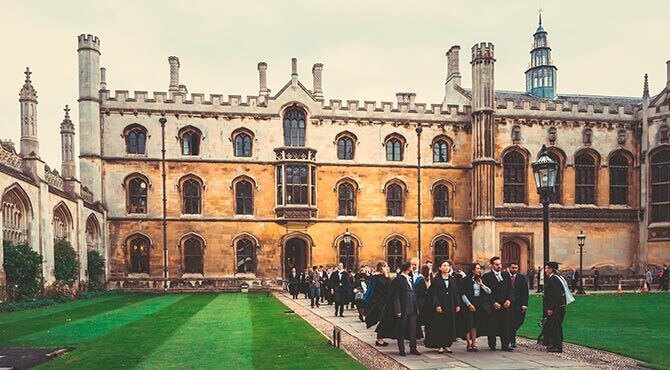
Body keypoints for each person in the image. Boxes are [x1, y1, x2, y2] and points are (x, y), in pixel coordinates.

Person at [378, 262, 421, 356]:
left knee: (413, 329)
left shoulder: (410, 279)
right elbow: (395, 296)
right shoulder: (398, 280)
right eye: (412, 266)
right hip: (403, 309)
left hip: (412, 309)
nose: (413, 267)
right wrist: (397, 310)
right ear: (408, 268)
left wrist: (416, 307)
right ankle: (402, 349)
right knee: (401, 329)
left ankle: (413, 348)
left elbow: (413, 294)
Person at [424, 260, 461, 354]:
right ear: (440, 268)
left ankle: (447, 344)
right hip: (441, 305)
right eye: (444, 266)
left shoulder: (452, 279)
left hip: (450, 304)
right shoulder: (436, 280)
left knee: (449, 324)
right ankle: (440, 345)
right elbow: (433, 294)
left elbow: (456, 292)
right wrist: (437, 305)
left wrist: (457, 304)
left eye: (448, 266)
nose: (446, 267)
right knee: (440, 325)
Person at [482, 256, 513, 351]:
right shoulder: (487, 277)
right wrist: (493, 302)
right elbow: (486, 293)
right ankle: (492, 344)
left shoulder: (506, 275)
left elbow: (510, 289)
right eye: (496, 264)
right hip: (493, 306)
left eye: (500, 264)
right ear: (492, 265)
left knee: (505, 325)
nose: (499, 266)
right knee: (492, 325)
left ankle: (505, 345)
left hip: (505, 304)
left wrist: (509, 300)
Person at [460, 262, 491, 352]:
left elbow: (489, 291)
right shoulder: (466, 280)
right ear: (472, 270)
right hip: (468, 303)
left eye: (479, 269)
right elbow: (462, 293)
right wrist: (469, 304)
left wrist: (482, 286)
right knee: (468, 323)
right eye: (477, 268)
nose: (479, 270)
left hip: (478, 304)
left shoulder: (480, 280)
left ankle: (474, 343)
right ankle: (468, 344)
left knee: (475, 324)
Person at [543, 261, 568, 353]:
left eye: (547, 268)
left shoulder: (553, 279)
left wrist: (550, 308)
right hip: (558, 307)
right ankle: (555, 344)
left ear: (551, 269)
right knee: (554, 326)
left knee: (555, 326)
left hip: (555, 308)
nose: (545, 270)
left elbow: (554, 295)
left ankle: (558, 346)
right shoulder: (556, 278)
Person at [365, 261, 392, 347]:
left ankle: (380, 338)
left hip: (384, 302)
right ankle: (379, 339)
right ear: (381, 268)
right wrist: (386, 275)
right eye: (385, 266)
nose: (387, 268)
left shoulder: (383, 277)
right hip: (378, 302)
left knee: (383, 320)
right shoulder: (376, 277)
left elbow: (389, 287)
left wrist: (386, 275)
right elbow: (387, 286)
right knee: (382, 320)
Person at [508, 262, 528, 348]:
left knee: (520, 320)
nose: (514, 269)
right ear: (509, 268)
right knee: (511, 321)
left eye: (516, 268)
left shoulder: (521, 278)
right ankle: (512, 340)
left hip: (518, 304)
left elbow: (525, 292)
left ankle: (510, 334)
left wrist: (525, 304)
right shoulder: (505, 277)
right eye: (513, 268)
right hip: (508, 303)